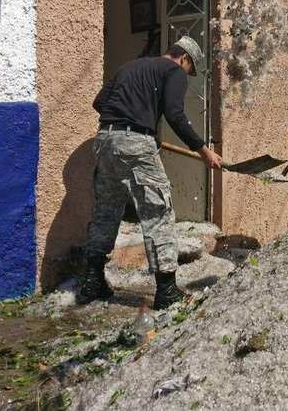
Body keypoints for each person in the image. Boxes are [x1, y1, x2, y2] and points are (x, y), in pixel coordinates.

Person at [79, 36, 222, 310]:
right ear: (185, 59)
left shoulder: (130, 67)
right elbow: (175, 114)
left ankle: (92, 281)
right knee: (158, 212)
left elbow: (100, 103)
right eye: (189, 70)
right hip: (135, 145)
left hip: (105, 141)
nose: (187, 75)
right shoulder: (174, 71)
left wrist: (137, 121)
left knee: (107, 211)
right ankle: (167, 290)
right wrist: (203, 150)